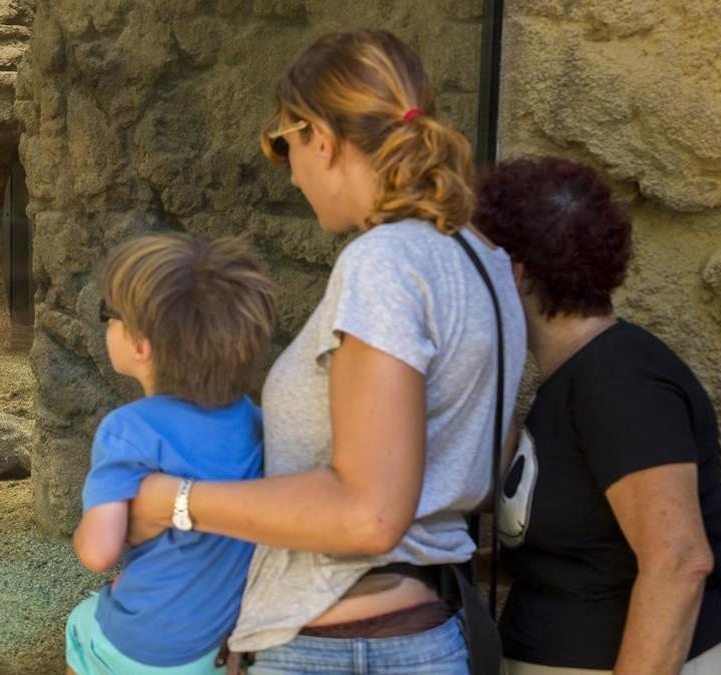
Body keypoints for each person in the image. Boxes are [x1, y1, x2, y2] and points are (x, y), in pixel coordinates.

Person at [127, 28, 526, 673]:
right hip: (427, 628)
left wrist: (172, 498)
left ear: (320, 135)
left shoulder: (383, 263)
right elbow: (478, 473)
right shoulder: (485, 263)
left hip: (340, 647)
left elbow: (367, 516)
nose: (290, 175)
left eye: (283, 147)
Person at [473, 156, 721, 675]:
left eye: (473, 263)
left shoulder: (619, 379)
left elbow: (678, 562)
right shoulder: (572, 380)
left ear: (514, 273)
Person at [66, 233, 277, 675]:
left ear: (141, 346)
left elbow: (99, 553)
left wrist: (83, 533)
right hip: (218, 649)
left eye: (109, 315)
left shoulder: (127, 429)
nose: (105, 324)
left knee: (81, 624)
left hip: (143, 646)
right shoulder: (256, 421)